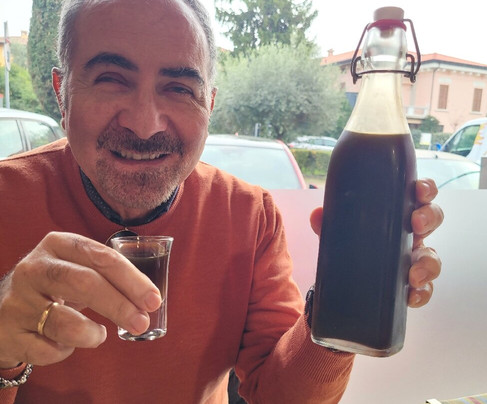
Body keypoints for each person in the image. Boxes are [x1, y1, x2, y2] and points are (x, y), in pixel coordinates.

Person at [0, 0, 443, 402]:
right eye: (111, 80)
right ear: (61, 92)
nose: (145, 124)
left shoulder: (250, 216)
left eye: (179, 88)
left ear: (209, 105)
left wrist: (341, 297)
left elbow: (279, 397)